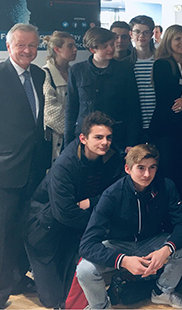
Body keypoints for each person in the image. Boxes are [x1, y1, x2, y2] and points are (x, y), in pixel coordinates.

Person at [76, 144, 182, 309]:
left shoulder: (166, 186)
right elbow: (87, 245)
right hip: (118, 244)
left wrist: (166, 249)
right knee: (84, 270)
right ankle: (101, 306)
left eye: (152, 167)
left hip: (150, 242)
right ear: (128, 168)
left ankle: (162, 291)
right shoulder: (111, 195)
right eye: (141, 168)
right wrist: (123, 260)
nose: (147, 174)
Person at [25, 112, 123, 308]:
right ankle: (36, 268)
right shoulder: (64, 166)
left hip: (77, 226)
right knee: (53, 300)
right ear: (83, 139)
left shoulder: (112, 157)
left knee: (72, 291)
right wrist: (98, 226)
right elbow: (64, 212)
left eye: (108, 137)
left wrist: (92, 202)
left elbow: (115, 193)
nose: (105, 142)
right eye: (98, 137)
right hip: (46, 229)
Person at [0, 23, 49, 308]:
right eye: (21, 45)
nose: (28, 50)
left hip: (34, 166)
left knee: (25, 227)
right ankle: (1, 290)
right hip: (6, 168)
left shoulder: (39, 74)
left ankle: (19, 278)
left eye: (32, 45)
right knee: (4, 233)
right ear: (9, 46)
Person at [65, 26, 141, 152]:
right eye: (105, 46)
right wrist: (68, 143)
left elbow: (133, 108)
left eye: (111, 44)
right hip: (86, 136)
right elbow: (71, 109)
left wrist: (132, 142)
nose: (111, 49)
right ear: (92, 49)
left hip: (116, 136)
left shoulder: (124, 69)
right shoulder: (77, 70)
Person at [149, 24, 182, 197]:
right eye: (178, 39)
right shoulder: (162, 65)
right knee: (169, 179)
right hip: (167, 130)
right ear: (168, 41)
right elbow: (168, 103)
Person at [42, 31, 77, 163]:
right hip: (53, 141)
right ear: (57, 49)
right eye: (70, 46)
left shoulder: (74, 72)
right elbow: (50, 111)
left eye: (75, 45)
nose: (75, 49)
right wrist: (75, 129)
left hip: (73, 138)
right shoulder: (46, 74)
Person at [127, 15, 157, 141]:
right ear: (131, 34)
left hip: (158, 122)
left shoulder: (160, 61)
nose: (141, 36)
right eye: (137, 32)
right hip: (134, 124)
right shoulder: (125, 64)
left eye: (146, 32)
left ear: (151, 34)